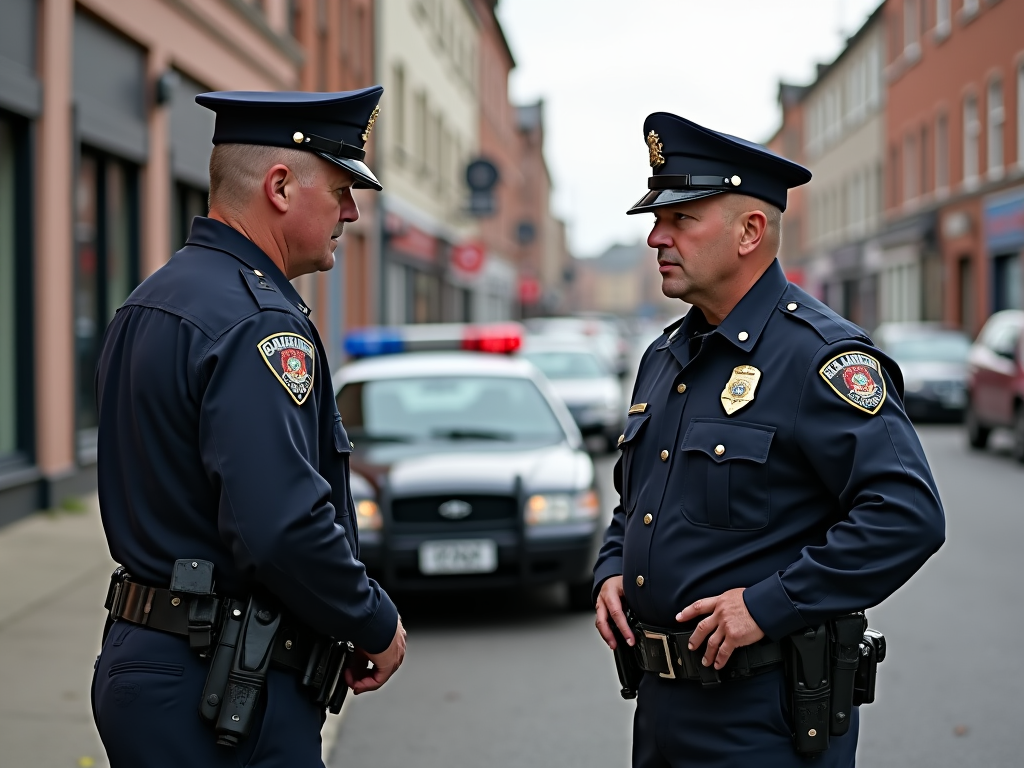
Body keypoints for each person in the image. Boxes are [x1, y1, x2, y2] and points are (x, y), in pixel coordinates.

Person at [592, 112, 945, 767]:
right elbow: (636, 502)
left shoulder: (819, 357)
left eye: (681, 220)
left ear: (750, 231)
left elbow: (907, 516)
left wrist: (769, 604)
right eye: (655, 220)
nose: (656, 238)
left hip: (765, 718)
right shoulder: (667, 356)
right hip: (662, 710)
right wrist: (612, 568)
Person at [91, 86, 405, 768]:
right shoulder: (260, 321)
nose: (352, 210)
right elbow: (280, 526)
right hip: (222, 686)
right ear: (282, 186)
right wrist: (374, 622)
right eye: (341, 186)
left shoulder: (153, 301)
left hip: (155, 664)